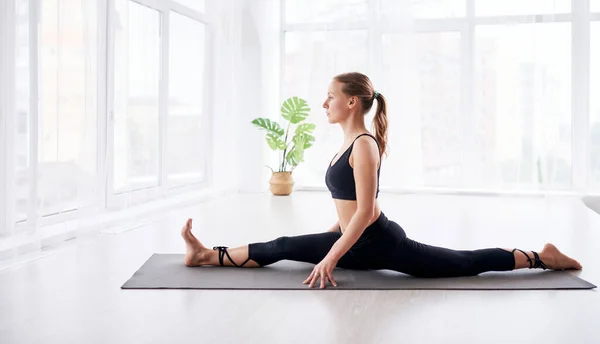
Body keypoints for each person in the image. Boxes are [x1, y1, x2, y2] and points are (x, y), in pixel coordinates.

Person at [181, 72, 582, 289]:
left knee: (462, 263)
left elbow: (367, 211)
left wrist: (331, 255)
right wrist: (329, 241)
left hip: (381, 243)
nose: (324, 103)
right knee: (285, 244)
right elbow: (347, 207)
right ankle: (205, 255)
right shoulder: (345, 143)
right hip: (354, 237)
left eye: (330, 96)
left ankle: (540, 257)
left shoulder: (364, 145)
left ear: (352, 102)